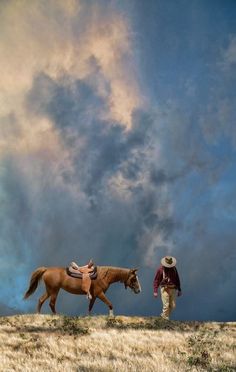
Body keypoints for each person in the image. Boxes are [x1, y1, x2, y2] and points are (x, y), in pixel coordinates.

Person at [153, 256, 182, 320]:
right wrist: (155, 291)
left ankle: (163, 316)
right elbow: (156, 280)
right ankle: (165, 319)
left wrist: (179, 289)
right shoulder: (160, 270)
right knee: (166, 305)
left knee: (172, 306)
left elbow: (177, 279)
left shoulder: (174, 269)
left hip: (173, 289)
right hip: (165, 289)